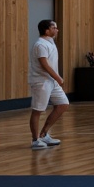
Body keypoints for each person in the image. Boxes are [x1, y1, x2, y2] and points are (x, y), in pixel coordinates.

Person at [27, 19, 69, 150]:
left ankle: (44, 133)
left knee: (63, 104)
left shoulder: (50, 42)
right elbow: (44, 64)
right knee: (38, 110)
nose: (57, 30)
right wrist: (59, 78)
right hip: (42, 82)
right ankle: (35, 140)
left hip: (52, 81)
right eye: (54, 28)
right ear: (46, 30)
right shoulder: (40, 45)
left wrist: (55, 80)